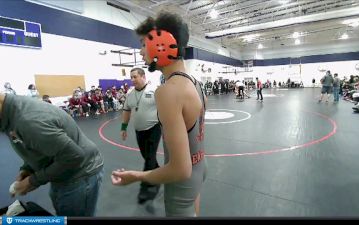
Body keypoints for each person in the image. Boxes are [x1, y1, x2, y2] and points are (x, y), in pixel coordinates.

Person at [111, 11, 207, 217]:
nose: (141, 51)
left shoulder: (168, 90)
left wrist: (136, 176)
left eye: (143, 44)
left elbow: (181, 169)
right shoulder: (195, 83)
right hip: (200, 167)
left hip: (182, 183)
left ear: (162, 44)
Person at [0, 93, 104, 216]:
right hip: (63, 175)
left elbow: (73, 157)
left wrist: (32, 181)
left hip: (79, 176)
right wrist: (28, 168)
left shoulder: (28, 121)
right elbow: (32, 144)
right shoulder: (11, 114)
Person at [120, 67, 162, 204]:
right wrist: (123, 128)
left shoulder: (154, 90)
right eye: (131, 77)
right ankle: (159, 173)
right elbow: (126, 111)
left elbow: (165, 109)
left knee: (149, 158)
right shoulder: (130, 94)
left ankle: (146, 187)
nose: (132, 80)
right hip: (139, 131)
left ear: (143, 76)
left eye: (135, 77)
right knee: (147, 156)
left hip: (153, 128)